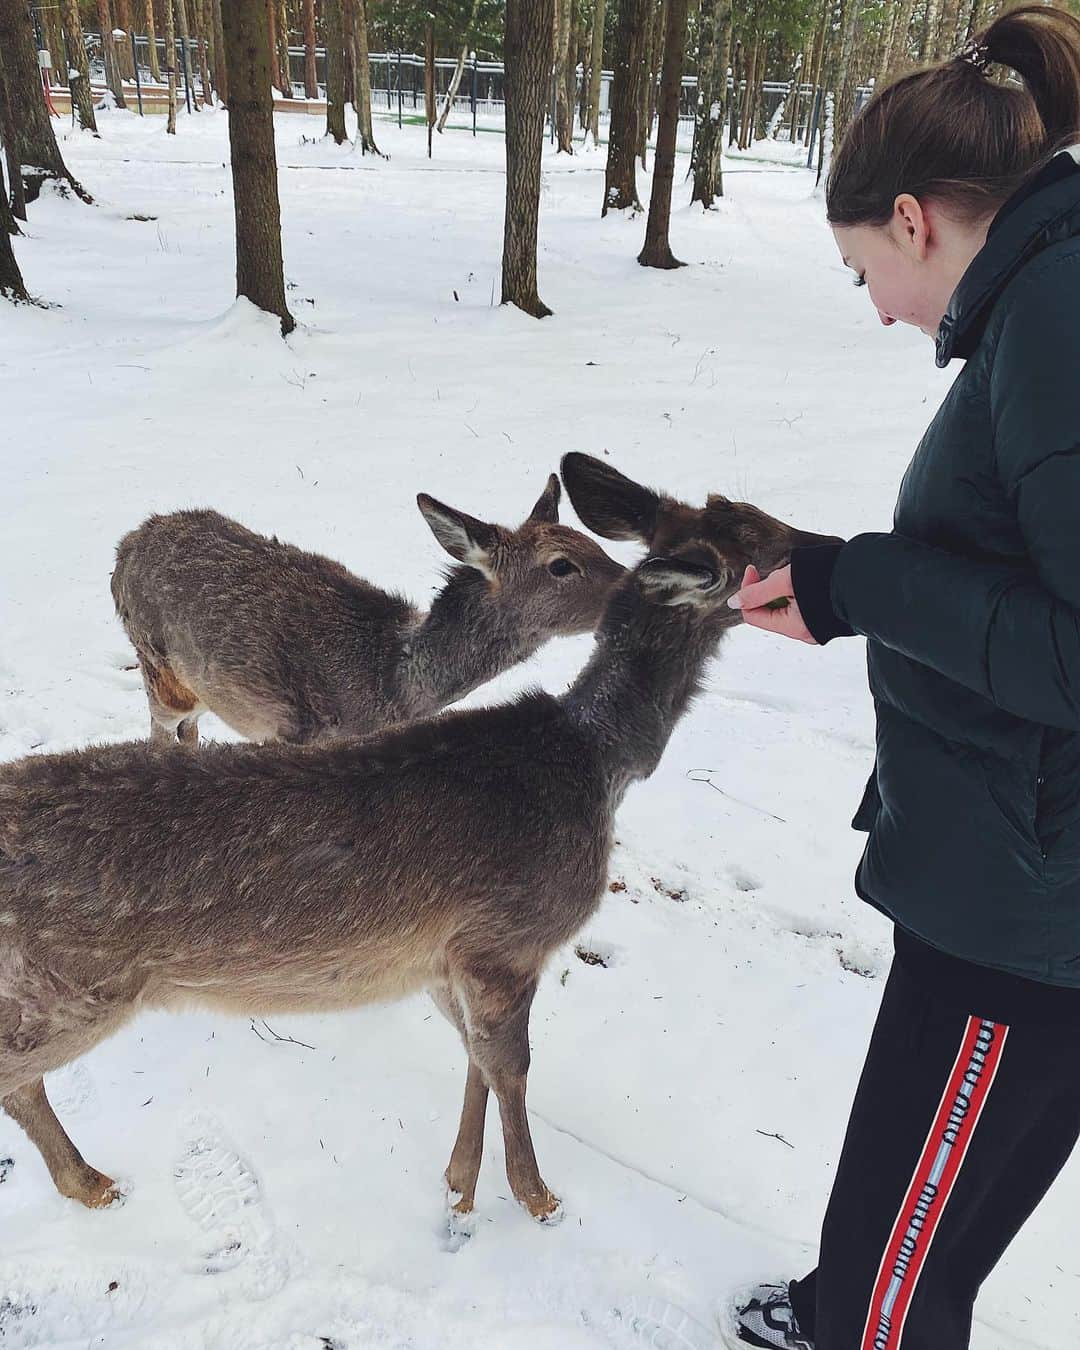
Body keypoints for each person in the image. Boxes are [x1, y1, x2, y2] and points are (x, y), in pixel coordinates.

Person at [723, 7, 1080, 1348]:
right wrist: (833, 579)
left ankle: (860, 1317)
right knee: (930, 1213)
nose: (875, 304)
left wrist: (859, 584)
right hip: (1017, 872)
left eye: (862, 266)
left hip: (1027, 907)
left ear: (917, 219)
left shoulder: (1056, 314)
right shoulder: (1042, 295)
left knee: (898, 1262)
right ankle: (849, 1304)